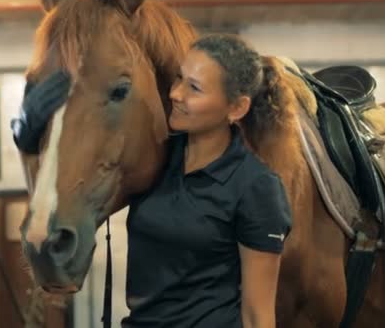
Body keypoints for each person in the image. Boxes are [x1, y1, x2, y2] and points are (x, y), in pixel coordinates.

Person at [122, 34, 293, 328]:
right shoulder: (155, 158)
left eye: (195, 88)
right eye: (179, 79)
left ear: (237, 108)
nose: (175, 93)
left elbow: (257, 315)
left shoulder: (256, 186)